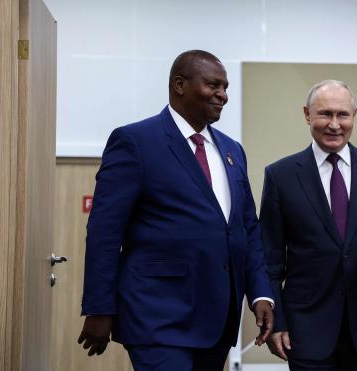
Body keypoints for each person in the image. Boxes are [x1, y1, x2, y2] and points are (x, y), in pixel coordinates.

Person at [77, 50, 274, 371]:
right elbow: (104, 232)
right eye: (213, 85)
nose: (223, 95)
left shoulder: (232, 150)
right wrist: (100, 307)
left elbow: (246, 229)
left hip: (216, 317)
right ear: (179, 85)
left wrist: (261, 294)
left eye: (225, 87)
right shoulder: (136, 141)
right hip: (157, 314)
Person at [260, 80, 357, 371]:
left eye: (343, 115)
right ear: (307, 114)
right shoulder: (281, 176)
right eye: (325, 114)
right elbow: (269, 257)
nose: (334, 124)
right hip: (305, 328)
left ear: (354, 115)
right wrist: (277, 319)